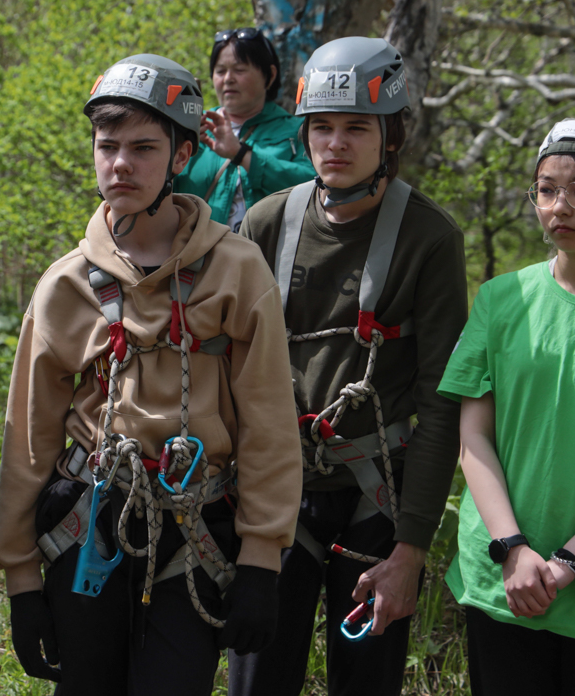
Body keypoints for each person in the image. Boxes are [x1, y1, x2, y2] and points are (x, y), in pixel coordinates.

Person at [0, 53, 302, 695]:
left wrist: (261, 560)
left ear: (183, 155)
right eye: (108, 147)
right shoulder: (65, 285)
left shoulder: (237, 271)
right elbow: (29, 440)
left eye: (142, 147)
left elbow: (269, 422)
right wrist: (21, 577)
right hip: (88, 519)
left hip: (195, 528)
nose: (121, 164)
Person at [233, 37, 467, 696]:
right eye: (323, 127)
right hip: (277, 493)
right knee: (256, 680)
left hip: (375, 496)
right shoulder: (268, 222)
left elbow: (441, 398)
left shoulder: (429, 238)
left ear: (390, 136)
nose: (335, 143)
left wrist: (410, 549)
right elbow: (230, 369)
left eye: (356, 127)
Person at [440, 118, 575, 695]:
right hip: (505, 583)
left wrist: (568, 562)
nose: (560, 206)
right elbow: (472, 438)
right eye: (546, 189)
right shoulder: (503, 298)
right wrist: (513, 549)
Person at [175, 27, 314, 231]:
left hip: (266, 257)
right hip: (196, 257)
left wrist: (242, 154)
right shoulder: (192, 127)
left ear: (270, 75)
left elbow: (316, 187)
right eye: (220, 71)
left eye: (240, 70)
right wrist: (175, 147)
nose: (228, 78)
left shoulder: (297, 131)